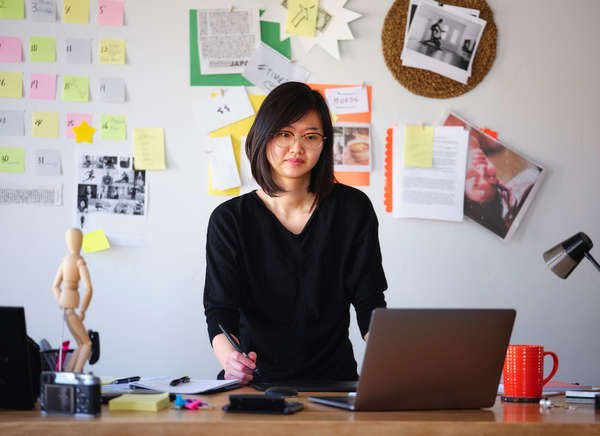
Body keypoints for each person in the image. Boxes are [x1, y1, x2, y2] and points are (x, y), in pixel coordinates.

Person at [203, 82, 387, 384]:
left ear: (324, 143)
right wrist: (230, 360)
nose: (297, 147)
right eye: (284, 134)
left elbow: (369, 301)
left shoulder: (353, 209)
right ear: (264, 137)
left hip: (335, 385)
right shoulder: (229, 219)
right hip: (256, 385)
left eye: (310, 136)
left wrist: (392, 356)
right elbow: (220, 309)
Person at [464, 148, 539, 238]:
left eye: (474, 179)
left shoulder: (529, 174)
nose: (481, 169)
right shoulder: (530, 175)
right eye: (489, 177)